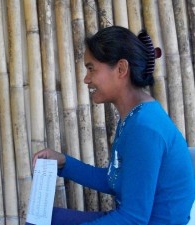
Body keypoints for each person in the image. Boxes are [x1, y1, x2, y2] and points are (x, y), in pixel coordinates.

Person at [32, 26, 195, 224]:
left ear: (121, 69)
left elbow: (133, 219)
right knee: (45, 218)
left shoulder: (145, 127)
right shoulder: (135, 116)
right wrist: (65, 163)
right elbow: (116, 179)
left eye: (91, 68)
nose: (86, 79)